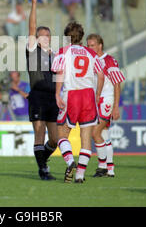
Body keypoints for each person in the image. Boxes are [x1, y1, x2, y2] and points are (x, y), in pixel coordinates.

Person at [52, 22, 104, 183]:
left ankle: (70, 162)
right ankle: (80, 175)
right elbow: (101, 75)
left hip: (71, 95)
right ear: (82, 36)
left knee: (61, 134)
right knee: (86, 137)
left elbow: (60, 73)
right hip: (88, 94)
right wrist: (97, 94)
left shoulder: (63, 52)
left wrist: (57, 93)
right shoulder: (91, 53)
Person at [26, 0, 58, 181]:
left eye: (47, 35)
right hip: (37, 95)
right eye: (40, 35)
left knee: (54, 139)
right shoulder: (32, 51)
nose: (44, 38)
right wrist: (34, 3)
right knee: (40, 132)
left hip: (53, 99)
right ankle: (43, 170)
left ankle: (41, 161)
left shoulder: (55, 56)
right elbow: (31, 26)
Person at [87, 33, 125, 177]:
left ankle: (102, 166)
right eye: (88, 45)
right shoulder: (90, 60)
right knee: (103, 135)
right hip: (95, 100)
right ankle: (110, 169)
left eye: (92, 45)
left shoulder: (109, 60)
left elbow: (117, 84)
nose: (90, 48)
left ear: (100, 45)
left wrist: (116, 106)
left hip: (106, 100)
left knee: (94, 132)